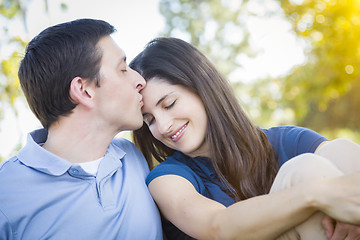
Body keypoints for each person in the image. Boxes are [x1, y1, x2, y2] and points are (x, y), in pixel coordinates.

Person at [129, 37, 360, 240]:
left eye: (169, 104)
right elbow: (217, 227)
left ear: (202, 88)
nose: (163, 125)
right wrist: (317, 193)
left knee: (341, 150)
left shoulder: (288, 140)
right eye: (149, 120)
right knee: (305, 170)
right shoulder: (167, 179)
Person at [0, 19, 163, 239]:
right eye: (123, 69)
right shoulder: (6, 192)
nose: (140, 80)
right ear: (84, 90)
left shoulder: (133, 157)